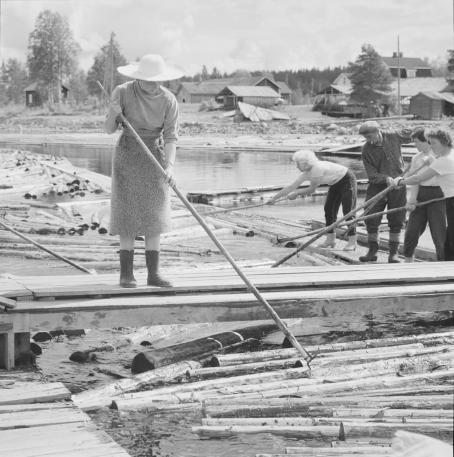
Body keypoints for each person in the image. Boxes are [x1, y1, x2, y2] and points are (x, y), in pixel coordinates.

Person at [105, 54, 184, 288]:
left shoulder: (169, 100)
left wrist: (169, 167)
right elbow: (109, 129)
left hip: (155, 156)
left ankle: (154, 274)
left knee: (154, 214)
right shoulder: (122, 92)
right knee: (126, 212)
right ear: (137, 77)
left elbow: (171, 138)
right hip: (128, 153)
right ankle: (126, 274)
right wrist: (113, 112)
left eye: (157, 80)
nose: (154, 84)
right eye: (149, 80)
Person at [267, 150, 357, 250]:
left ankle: (352, 242)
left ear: (305, 163)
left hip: (347, 180)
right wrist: (274, 198)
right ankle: (330, 240)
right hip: (334, 184)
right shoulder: (306, 173)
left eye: (298, 164)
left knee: (348, 211)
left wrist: (297, 193)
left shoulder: (317, 168)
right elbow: (290, 187)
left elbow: (312, 189)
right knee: (329, 210)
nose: (296, 167)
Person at [392, 128, 454, 261]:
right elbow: (416, 181)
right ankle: (408, 262)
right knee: (411, 232)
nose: (415, 145)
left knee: (440, 235)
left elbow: (418, 178)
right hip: (423, 195)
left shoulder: (442, 156)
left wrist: (399, 182)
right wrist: (411, 200)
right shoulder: (417, 158)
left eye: (416, 142)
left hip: (440, 196)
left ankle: (444, 266)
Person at [358, 121, 412, 263]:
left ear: (378, 131)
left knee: (397, 218)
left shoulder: (393, 136)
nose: (369, 140)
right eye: (366, 138)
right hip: (377, 186)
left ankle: (393, 254)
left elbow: (414, 135)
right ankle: (372, 251)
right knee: (370, 217)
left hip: (398, 185)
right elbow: (371, 174)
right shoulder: (366, 150)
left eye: (370, 136)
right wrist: (386, 178)